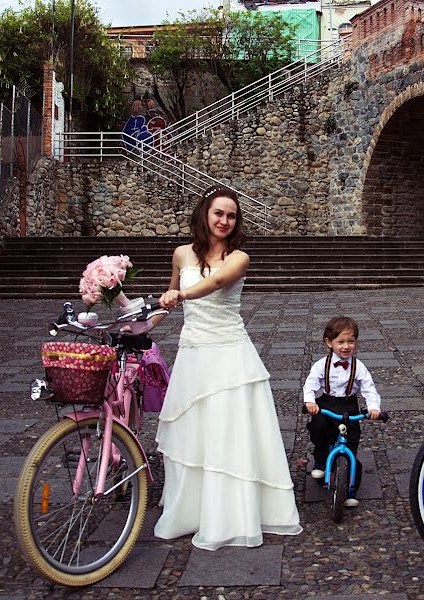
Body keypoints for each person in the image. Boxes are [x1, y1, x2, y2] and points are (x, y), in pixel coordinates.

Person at [154, 185, 302, 549]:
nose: (224, 220)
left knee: (227, 433)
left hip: (230, 356)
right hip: (193, 355)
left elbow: (216, 282)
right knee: (194, 433)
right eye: (219, 213)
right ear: (205, 213)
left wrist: (182, 294)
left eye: (231, 215)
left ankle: (230, 516)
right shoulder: (180, 254)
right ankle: (190, 512)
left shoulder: (239, 258)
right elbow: (167, 302)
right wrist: (132, 312)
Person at [303, 316, 382, 507]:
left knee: (352, 442)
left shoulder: (359, 367)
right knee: (319, 427)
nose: (346, 346)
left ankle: (350, 490)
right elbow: (311, 384)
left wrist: (373, 407)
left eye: (351, 341)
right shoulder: (322, 364)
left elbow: (369, 388)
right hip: (327, 404)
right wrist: (310, 402)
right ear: (329, 343)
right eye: (341, 342)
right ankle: (320, 462)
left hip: (349, 405)